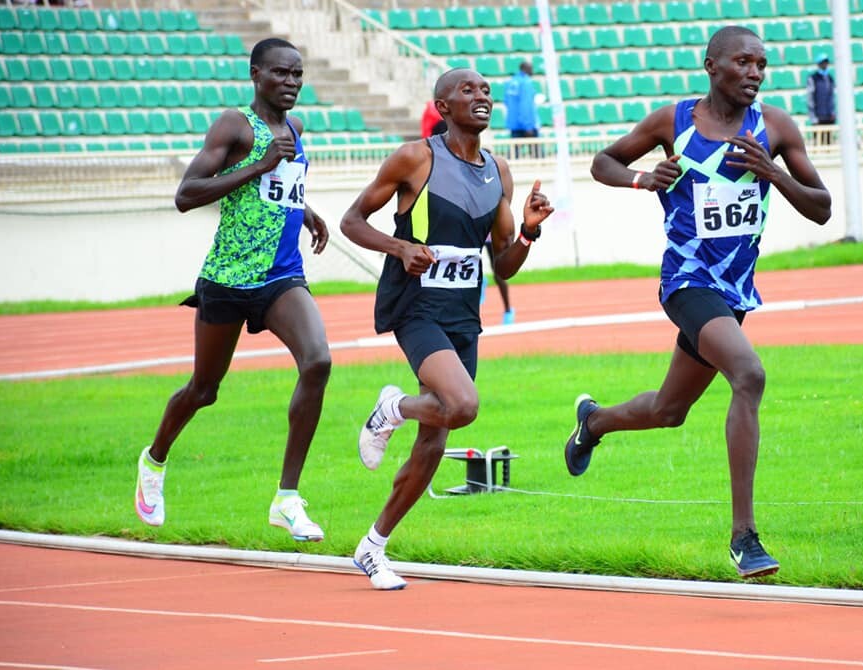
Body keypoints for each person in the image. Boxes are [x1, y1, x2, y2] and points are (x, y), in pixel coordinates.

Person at [577, 26, 831, 579]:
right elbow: (602, 162)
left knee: (669, 411)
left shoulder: (775, 127)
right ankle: (745, 537)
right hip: (688, 281)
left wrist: (772, 173)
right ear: (711, 65)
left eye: (762, 64)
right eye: (743, 62)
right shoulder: (672, 122)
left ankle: (593, 422)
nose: (755, 73)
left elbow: (822, 208)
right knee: (749, 374)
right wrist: (644, 179)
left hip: (735, 288)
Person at [340, 68, 553, 589]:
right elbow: (352, 220)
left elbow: (503, 265)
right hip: (416, 307)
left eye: (486, 91)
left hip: (462, 315)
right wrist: (401, 247)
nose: (481, 97)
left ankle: (373, 546)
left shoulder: (499, 171)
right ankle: (392, 408)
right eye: (468, 90)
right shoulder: (416, 159)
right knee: (462, 405)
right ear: (443, 106)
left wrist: (528, 232)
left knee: (433, 443)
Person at [134, 38, 332, 543]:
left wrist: (306, 211)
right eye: (281, 72)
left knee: (318, 361)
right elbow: (186, 195)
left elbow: (276, 189)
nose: (291, 82)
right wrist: (258, 164)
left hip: (281, 276)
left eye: (298, 74)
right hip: (228, 277)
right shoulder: (234, 125)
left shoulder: (296, 128)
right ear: (256, 74)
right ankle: (154, 460)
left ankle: (287, 498)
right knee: (204, 390)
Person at [504, 60, 541, 158]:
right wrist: (528, 126)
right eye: (531, 69)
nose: (533, 71)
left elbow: (506, 102)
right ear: (526, 69)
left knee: (513, 156)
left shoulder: (510, 82)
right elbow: (526, 104)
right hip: (527, 125)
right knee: (537, 156)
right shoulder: (526, 82)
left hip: (514, 124)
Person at [480, 233, 515, 324]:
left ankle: (508, 310)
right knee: (469, 263)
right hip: (477, 231)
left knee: (498, 273)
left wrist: (509, 237)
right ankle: (480, 281)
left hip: (493, 236)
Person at [806, 53, 836, 144]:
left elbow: (832, 97)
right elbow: (810, 99)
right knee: (819, 142)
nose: (825, 65)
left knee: (828, 142)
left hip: (829, 117)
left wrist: (832, 112)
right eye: (822, 62)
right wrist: (813, 117)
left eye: (826, 62)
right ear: (818, 64)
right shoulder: (813, 79)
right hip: (818, 117)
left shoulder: (830, 78)